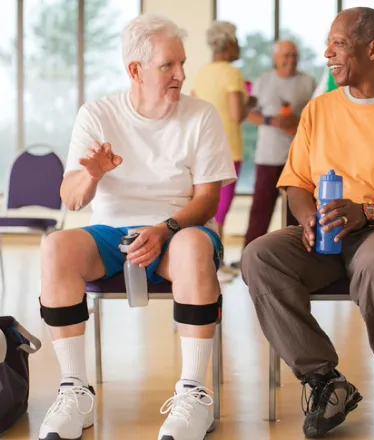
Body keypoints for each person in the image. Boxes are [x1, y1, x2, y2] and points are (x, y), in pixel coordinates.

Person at [241, 7, 374, 440]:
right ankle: (326, 382)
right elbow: (296, 183)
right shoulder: (320, 111)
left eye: (338, 43)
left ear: (372, 48)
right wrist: (308, 219)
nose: (327, 53)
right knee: (260, 255)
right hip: (328, 235)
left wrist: (367, 212)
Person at [37, 14, 236, 440]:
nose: (181, 74)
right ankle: (75, 390)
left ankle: (193, 393)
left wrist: (164, 229)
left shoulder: (201, 116)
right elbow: (71, 198)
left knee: (194, 249)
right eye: (169, 66)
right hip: (109, 233)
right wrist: (92, 174)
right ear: (136, 71)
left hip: (180, 231)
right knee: (56, 247)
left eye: (182, 64)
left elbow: (207, 200)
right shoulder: (97, 115)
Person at [192, 21, 256, 280]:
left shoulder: (202, 72)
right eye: (237, 40)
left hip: (203, 150)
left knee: (207, 206)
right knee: (220, 208)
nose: (239, 45)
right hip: (228, 150)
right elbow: (237, 114)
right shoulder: (231, 72)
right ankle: (212, 265)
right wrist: (250, 101)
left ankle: (212, 261)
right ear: (228, 44)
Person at [239, 40, 316, 254]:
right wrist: (271, 121)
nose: (290, 60)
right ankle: (249, 255)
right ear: (276, 58)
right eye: (286, 56)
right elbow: (248, 114)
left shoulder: (308, 82)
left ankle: (297, 256)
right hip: (268, 156)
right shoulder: (263, 81)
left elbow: (319, 115)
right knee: (260, 210)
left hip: (298, 159)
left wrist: (297, 120)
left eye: (294, 55)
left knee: (297, 213)